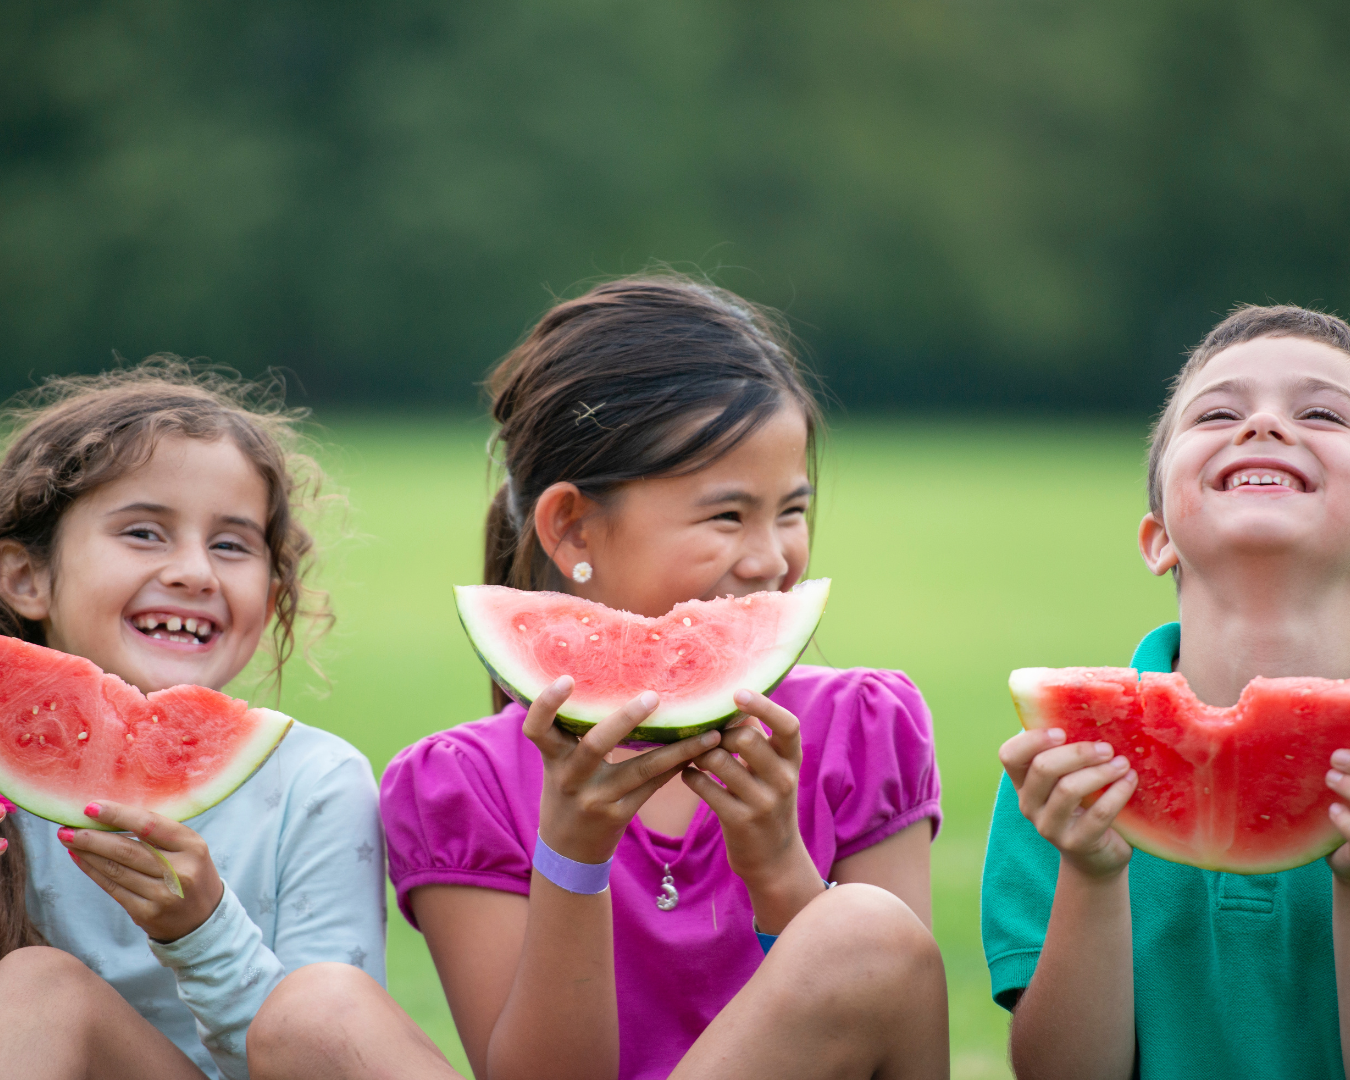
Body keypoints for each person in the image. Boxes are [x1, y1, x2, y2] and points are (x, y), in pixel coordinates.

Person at [246, 274, 948, 1080]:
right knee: (313, 1013)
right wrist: (571, 859)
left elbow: (895, 1032)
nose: (771, 558)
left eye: (791, 511)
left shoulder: (864, 728)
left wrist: (779, 869)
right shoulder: (460, 787)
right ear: (572, 525)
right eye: (727, 516)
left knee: (863, 928)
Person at [983, 304, 1350, 1079]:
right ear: (1158, 540)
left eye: (1322, 412)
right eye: (1219, 413)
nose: (1263, 426)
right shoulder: (1066, 771)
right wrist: (1091, 872)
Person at [0, 360, 386, 1080]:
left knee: (323, 1001)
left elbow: (330, 1054)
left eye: (232, 545)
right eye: (144, 533)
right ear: (27, 578)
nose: (195, 572)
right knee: (37, 986)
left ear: (271, 601)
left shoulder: (315, 782)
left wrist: (203, 934)